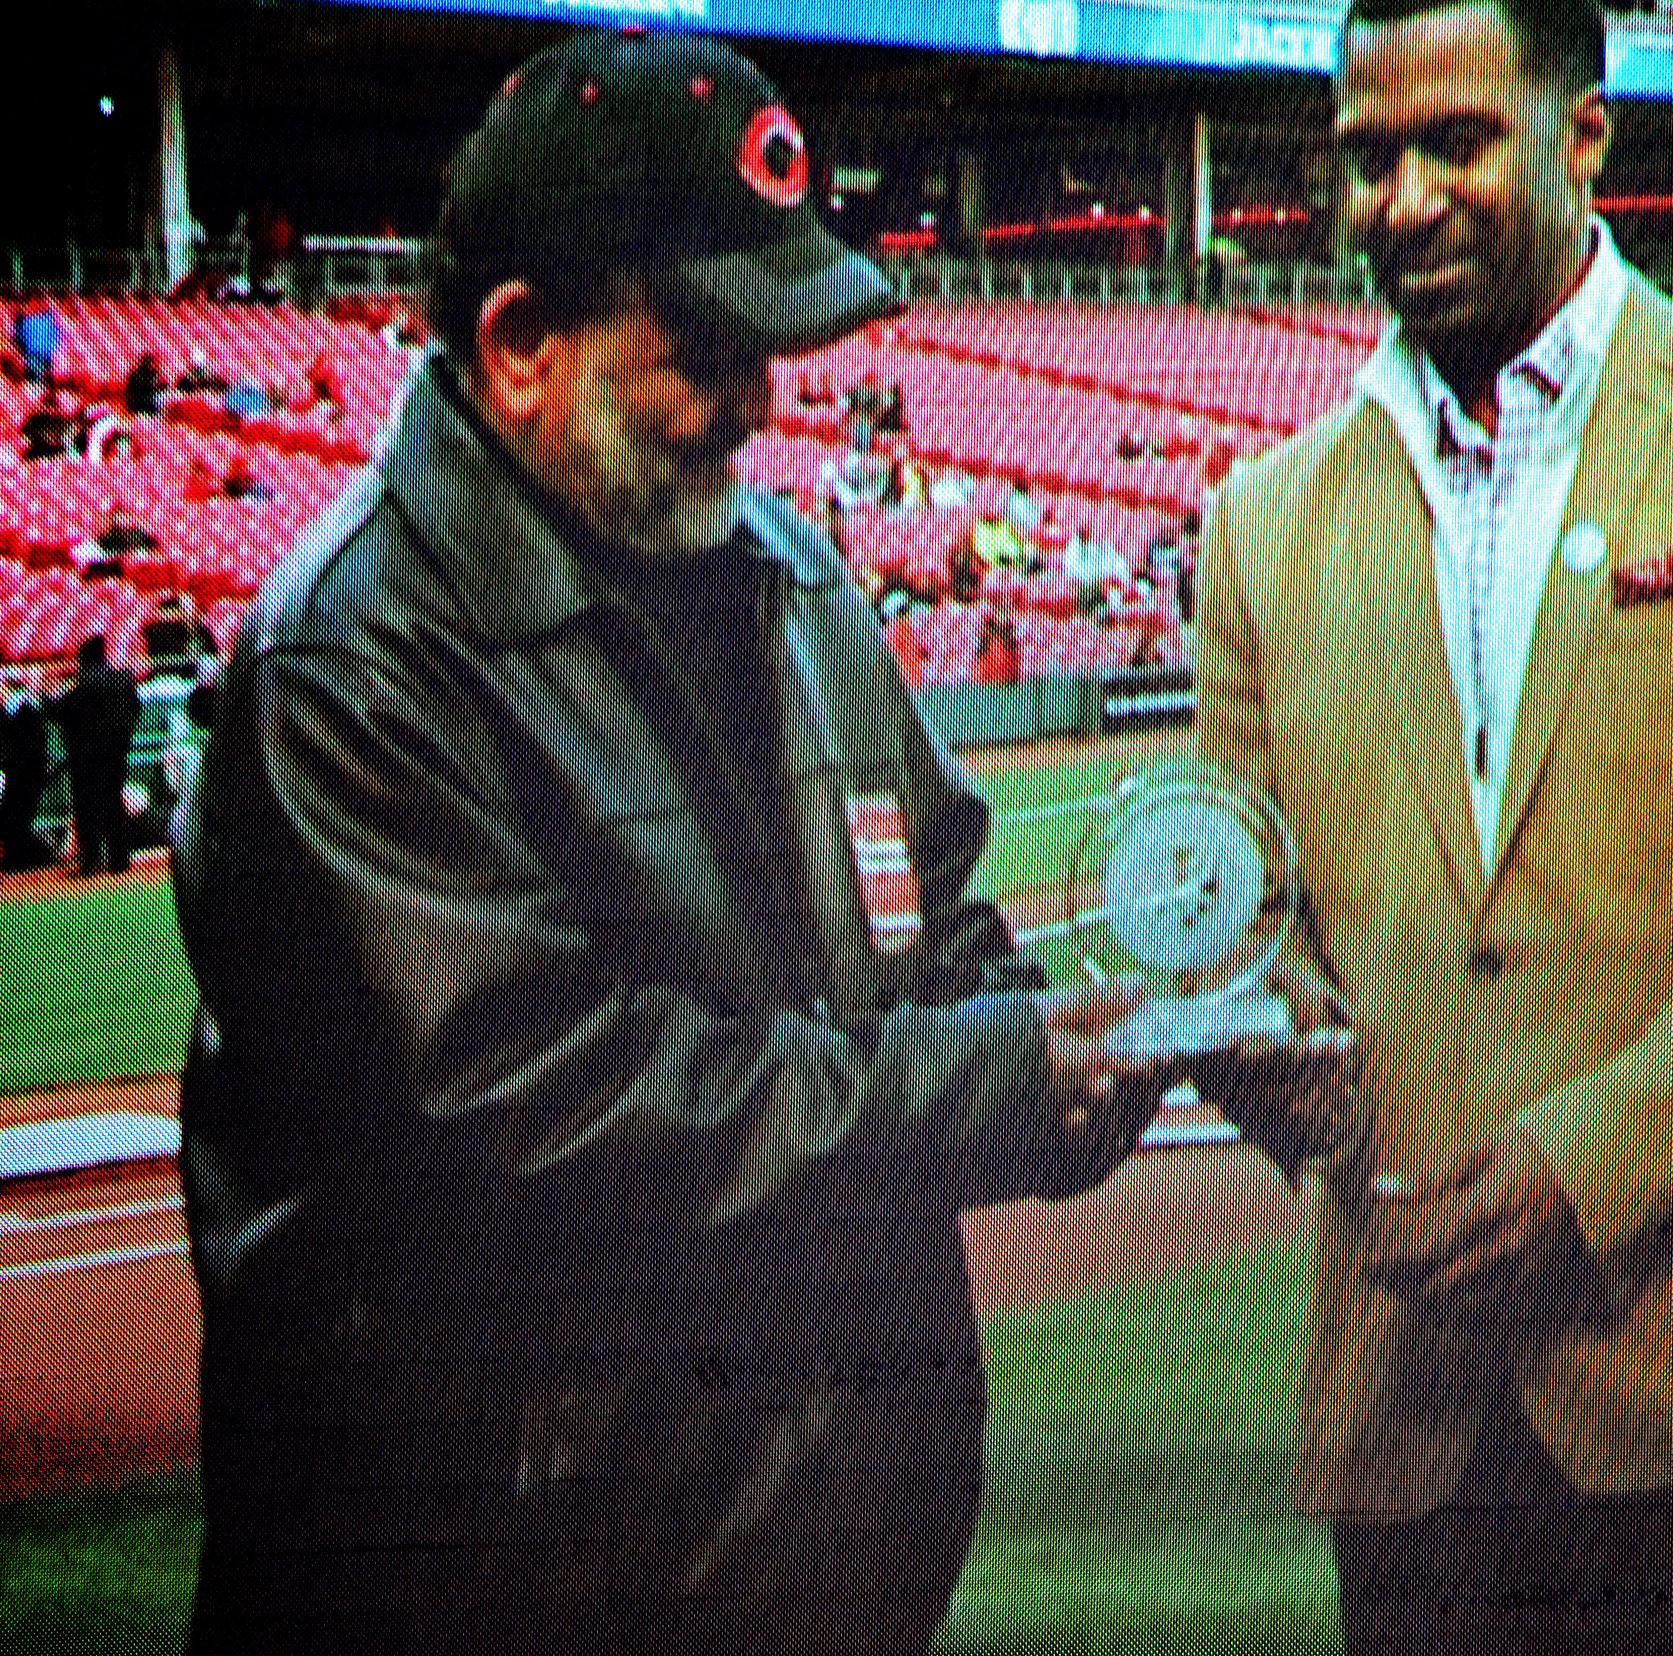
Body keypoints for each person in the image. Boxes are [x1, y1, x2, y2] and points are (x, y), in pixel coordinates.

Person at [171, 31, 1195, 1656]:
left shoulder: (788, 572)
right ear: (518, 344)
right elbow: (549, 1113)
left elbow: (935, 927)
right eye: (703, 345)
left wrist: (1100, 1043)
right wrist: (990, 1081)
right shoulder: (354, 667)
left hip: (824, 1568)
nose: (756, 406)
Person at [1190, 2, 1673, 1652]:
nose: (1404, 200)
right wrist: (1259, 1048)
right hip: (1413, 1421)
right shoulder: (1257, 529)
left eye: (1458, 142)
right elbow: (1251, 925)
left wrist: (1586, 1162)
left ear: (1585, 135)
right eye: (1367, 155)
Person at [47, 635, 140, 876]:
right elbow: (135, 709)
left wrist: (46, 696)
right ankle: (119, 860)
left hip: (87, 757)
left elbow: (62, 710)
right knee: (113, 805)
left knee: (87, 809)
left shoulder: (87, 681)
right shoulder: (122, 679)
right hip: (115, 754)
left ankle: (90, 861)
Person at [0, 668, 57, 871]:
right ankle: (15, 859)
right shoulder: (18, 710)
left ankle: (17, 860)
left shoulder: (24, 710)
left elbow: (34, 744)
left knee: (18, 814)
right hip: (18, 771)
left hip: (24, 771)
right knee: (15, 814)